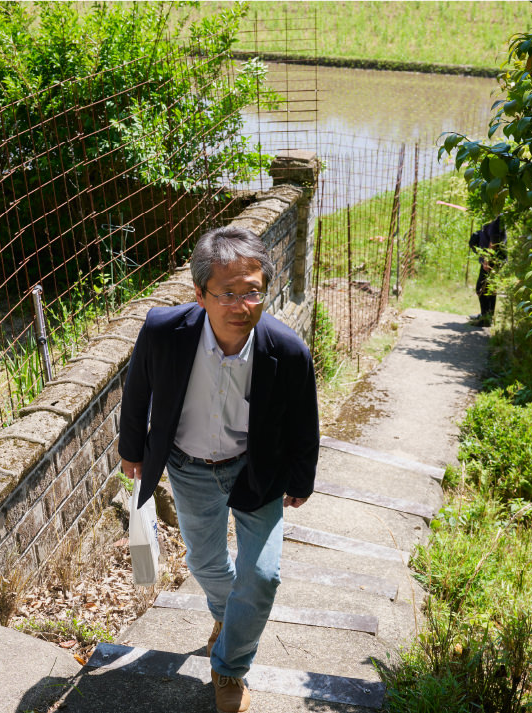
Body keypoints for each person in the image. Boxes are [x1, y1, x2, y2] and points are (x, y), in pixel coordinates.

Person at [118, 225, 320, 713]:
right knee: (207, 564)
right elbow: (138, 391)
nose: (241, 305)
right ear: (200, 294)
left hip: (258, 469)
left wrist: (302, 477)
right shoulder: (164, 331)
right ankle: (228, 620)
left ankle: (229, 668)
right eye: (227, 293)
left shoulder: (286, 349)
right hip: (188, 466)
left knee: (264, 574)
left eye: (252, 291)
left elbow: (303, 417)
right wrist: (132, 450)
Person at [468, 215, 506, 326]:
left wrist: (488, 259)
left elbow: (494, 241)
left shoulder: (497, 218)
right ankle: (487, 316)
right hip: (491, 258)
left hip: (492, 259)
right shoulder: (491, 216)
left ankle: (486, 319)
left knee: (482, 287)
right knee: (488, 288)